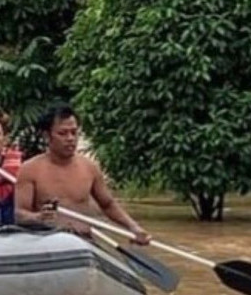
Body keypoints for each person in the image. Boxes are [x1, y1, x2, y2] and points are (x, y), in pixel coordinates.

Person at [15, 104, 152, 245]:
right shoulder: (29, 169)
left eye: (74, 132)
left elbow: (108, 205)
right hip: (48, 241)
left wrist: (133, 227)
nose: (70, 138)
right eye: (62, 133)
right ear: (47, 136)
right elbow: (18, 213)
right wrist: (38, 217)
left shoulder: (89, 167)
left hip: (84, 241)